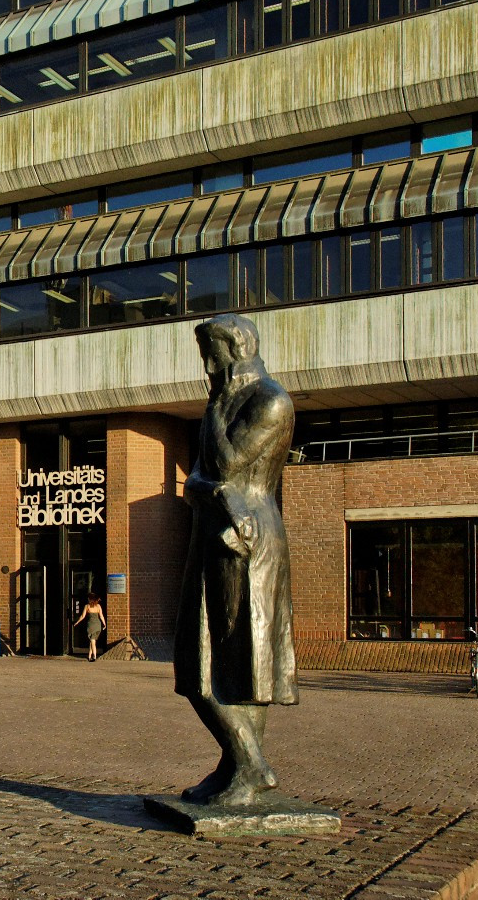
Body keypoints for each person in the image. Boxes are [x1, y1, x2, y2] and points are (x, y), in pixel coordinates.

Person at [176, 314, 298, 808]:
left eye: (213, 353)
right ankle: (237, 764)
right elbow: (195, 483)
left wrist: (215, 411)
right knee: (198, 657)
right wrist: (209, 489)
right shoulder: (220, 403)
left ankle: (250, 766)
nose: (207, 366)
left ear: (237, 347)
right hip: (213, 532)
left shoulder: (269, 400)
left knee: (243, 655)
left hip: (248, 540)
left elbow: (226, 464)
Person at [73, 594, 106, 662]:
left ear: (90, 599)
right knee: (92, 640)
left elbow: (82, 616)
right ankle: (89, 655)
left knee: (92, 641)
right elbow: (101, 616)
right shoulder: (98, 606)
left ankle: (94, 656)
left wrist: (77, 622)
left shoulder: (87, 606)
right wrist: (104, 624)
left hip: (91, 625)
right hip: (98, 625)